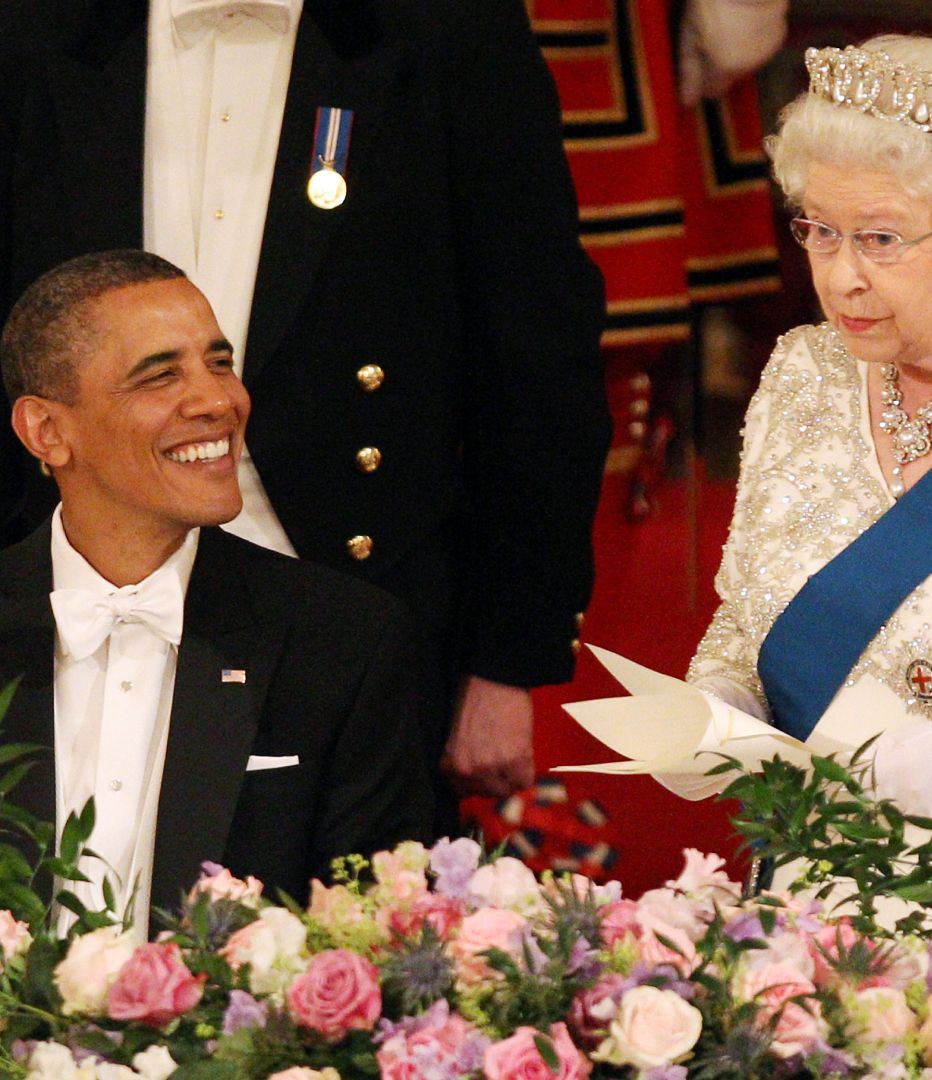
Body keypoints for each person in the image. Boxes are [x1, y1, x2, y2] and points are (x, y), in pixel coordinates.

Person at [0, 0, 611, 820]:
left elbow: (536, 360)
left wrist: (506, 659)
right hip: (61, 608)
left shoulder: (450, 31)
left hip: (361, 617)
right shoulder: (32, 29)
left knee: (344, 941)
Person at [683, 35, 932, 902]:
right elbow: (747, 624)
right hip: (815, 913)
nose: (840, 277)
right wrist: (719, 706)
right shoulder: (805, 373)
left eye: (879, 239)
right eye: (818, 231)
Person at [0, 250, 435, 939]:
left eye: (219, 362)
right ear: (47, 432)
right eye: (161, 375)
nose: (218, 401)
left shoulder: (344, 640)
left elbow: (379, 935)